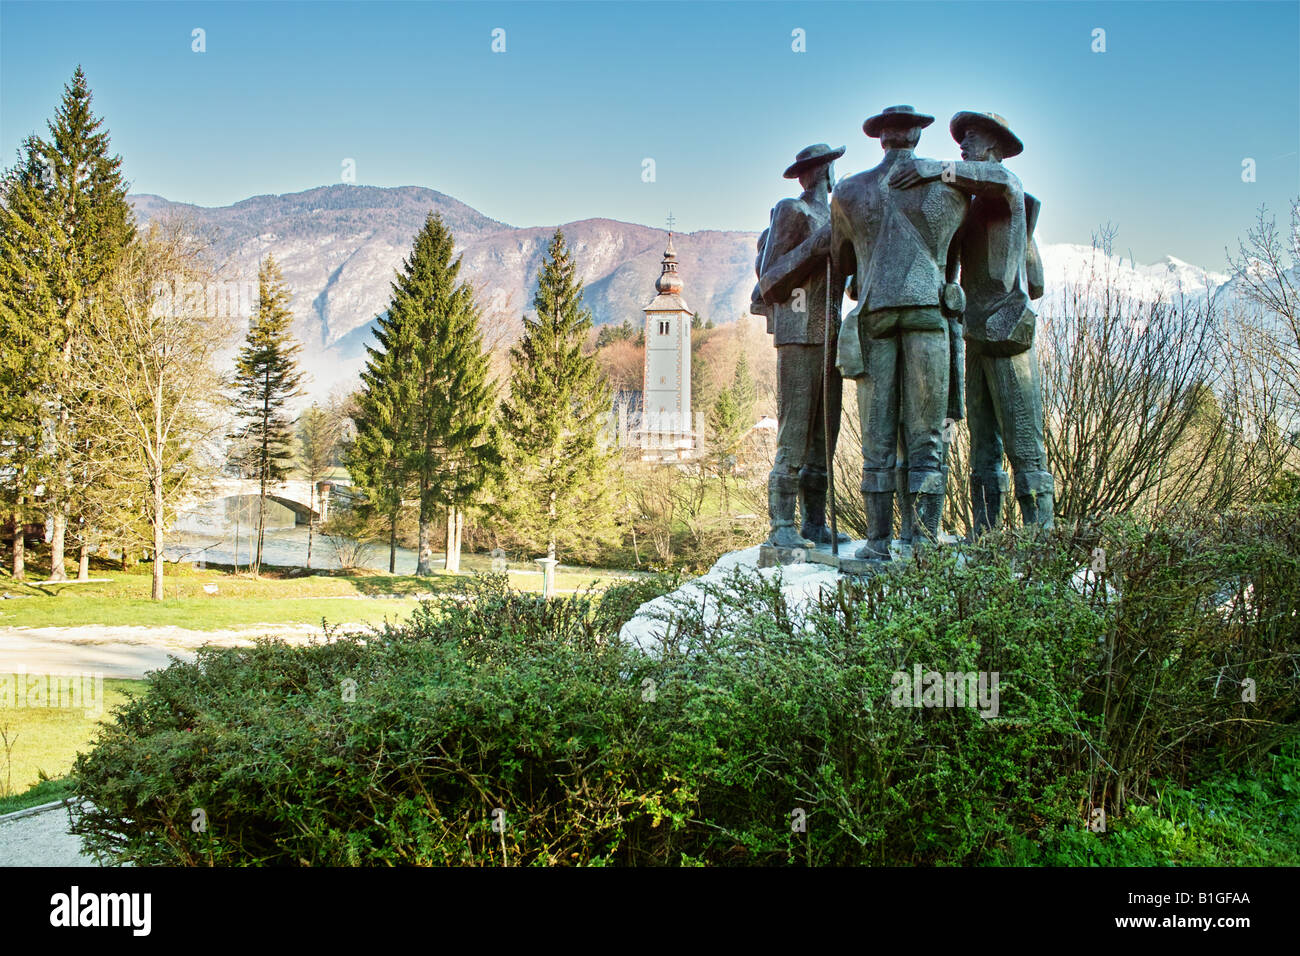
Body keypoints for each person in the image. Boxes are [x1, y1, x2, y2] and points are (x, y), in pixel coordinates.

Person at [889, 110, 1054, 531]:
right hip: (976, 333)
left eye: (973, 137)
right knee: (984, 444)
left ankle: (1040, 542)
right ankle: (986, 536)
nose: (963, 144)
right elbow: (1037, 280)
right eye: (963, 138)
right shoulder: (973, 203)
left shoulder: (1007, 187)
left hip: (1008, 330)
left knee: (1024, 442)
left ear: (996, 147)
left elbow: (1031, 282)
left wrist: (931, 168)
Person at [830, 106, 970, 560]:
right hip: (929, 313)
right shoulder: (950, 190)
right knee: (926, 437)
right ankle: (923, 542)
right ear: (916, 135)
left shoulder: (849, 192)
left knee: (878, 439)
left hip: (875, 314)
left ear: (880, 138)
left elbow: (842, 263)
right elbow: (955, 256)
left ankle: (876, 543)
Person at [754, 143, 849, 548]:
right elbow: (770, 280)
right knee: (794, 431)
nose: (821, 176)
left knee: (825, 435)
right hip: (798, 333)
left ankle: (814, 524)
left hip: (831, 334)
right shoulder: (792, 211)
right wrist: (814, 247)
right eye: (820, 169)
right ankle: (781, 528)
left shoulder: (837, 215)